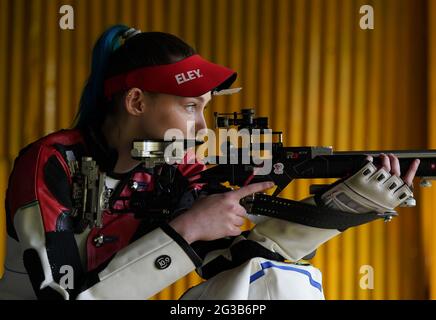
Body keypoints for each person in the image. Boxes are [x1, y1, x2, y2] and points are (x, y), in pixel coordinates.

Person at [0, 25, 420, 300]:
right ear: (135, 101)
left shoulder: (177, 164)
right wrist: (186, 228)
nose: (202, 126)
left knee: (276, 280)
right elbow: (61, 295)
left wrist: (345, 206)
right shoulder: (53, 161)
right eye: (189, 107)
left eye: (204, 108)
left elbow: (240, 259)